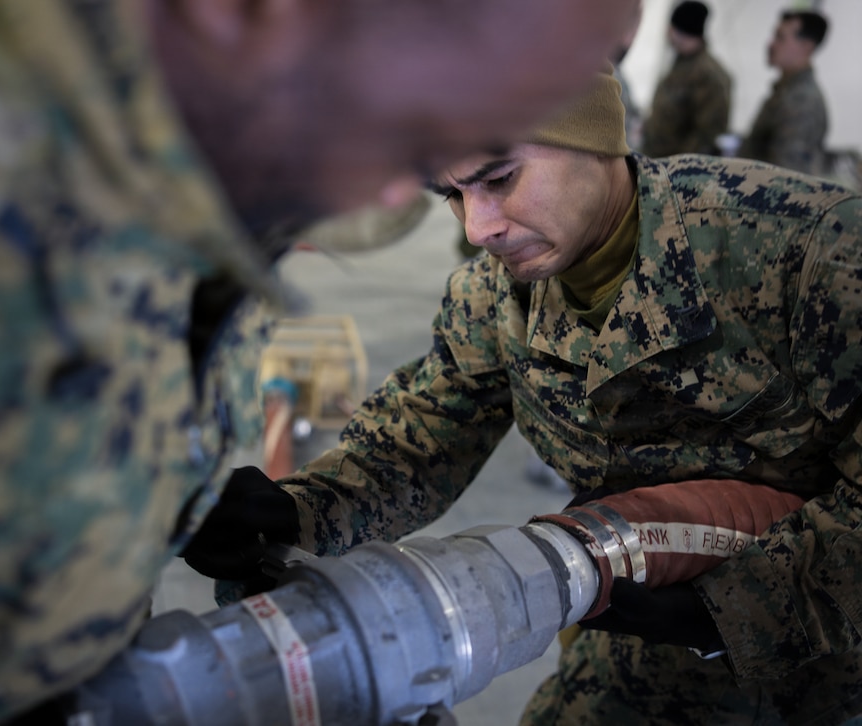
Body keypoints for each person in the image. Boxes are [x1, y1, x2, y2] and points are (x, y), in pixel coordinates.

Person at [0, 1, 646, 724]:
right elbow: (425, 434)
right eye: (423, 165)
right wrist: (302, 513)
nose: (463, 227)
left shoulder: (218, 188)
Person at [185, 72, 862, 723]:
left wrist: (730, 607)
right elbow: (420, 440)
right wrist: (299, 510)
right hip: (629, 649)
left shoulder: (811, 256)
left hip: (822, 666)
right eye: (450, 194)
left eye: (500, 178)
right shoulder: (493, 297)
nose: (479, 228)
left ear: (592, 134)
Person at [739, 10, 830, 177]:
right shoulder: (786, 91)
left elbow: (785, 179)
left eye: (780, 37)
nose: (771, 44)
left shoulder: (801, 101)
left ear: (806, 47)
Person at [641, 1, 732, 157]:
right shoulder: (682, 64)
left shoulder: (709, 75)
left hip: (676, 172)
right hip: (657, 161)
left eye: (673, 27)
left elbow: (708, 134)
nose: (668, 33)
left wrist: (677, 166)